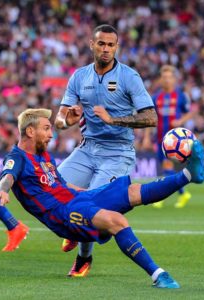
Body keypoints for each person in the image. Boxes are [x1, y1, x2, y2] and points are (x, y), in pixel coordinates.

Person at [0, 108, 204, 289]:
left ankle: (188, 175)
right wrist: (3, 190)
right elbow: (8, 176)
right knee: (117, 221)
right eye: (46, 129)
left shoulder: (43, 156)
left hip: (77, 198)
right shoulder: (17, 157)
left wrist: (91, 193)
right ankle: (159, 275)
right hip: (63, 214)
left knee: (131, 192)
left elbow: (61, 185)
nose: (51, 135)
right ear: (30, 131)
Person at [54, 24, 158, 277]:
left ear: (117, 47)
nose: (106, 49)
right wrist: (67, 120)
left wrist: (115, 120)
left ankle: (83, 259)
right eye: (101, 43)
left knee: (93, 204)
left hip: (118, 151)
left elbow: (151, 117)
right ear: (92, 44)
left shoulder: (129, 77)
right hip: (87, 149)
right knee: (54, 187)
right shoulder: (79, 76)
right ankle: (75, 231)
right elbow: (59, 119)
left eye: (111, 45)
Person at [143, 65, 193, 209]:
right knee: (166, 168)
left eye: (169, 77)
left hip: (175, 141)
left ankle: (161, 196)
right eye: (164, 77)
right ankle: (182, 193)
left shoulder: (180, 96)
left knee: (167, 166)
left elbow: (191, 111)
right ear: (161, 79)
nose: (166, 80)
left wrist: (181, 121)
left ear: (174, 79)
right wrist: (146, 137)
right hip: (159, 139)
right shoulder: (156, 97)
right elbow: (150, 119)